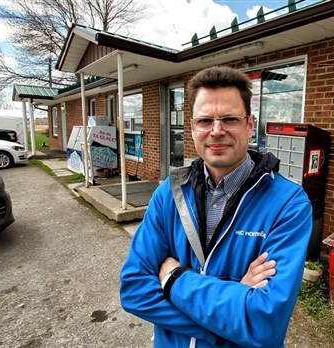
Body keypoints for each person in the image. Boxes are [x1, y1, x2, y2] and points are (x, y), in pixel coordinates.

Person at [120, 66, 313, 347]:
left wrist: (174, 278)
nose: (217, 131)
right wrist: (231, 311)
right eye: (205, 120)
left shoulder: (288, 204)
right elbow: (134, 290)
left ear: (250, 125)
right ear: (192, 128)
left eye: (229, 119)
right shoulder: (170, 193)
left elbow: (265, 323)